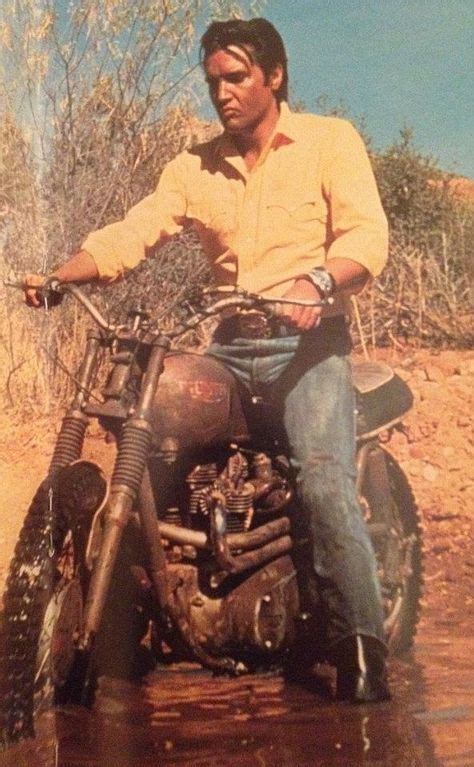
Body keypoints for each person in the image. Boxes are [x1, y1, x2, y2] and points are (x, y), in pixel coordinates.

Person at [25, 18, 390, 702]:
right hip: (226, 347)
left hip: (307, 345)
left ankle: (361, 651)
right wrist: (64, 275)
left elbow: (366, 235)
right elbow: (137, 229)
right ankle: (145, 612)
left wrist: (316, 282)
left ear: (274, 76)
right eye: (213, 80)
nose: (222, 92)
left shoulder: (327, 142)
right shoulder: (193, 166)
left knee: (323, 480)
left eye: (237, 76)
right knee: (156, 440)